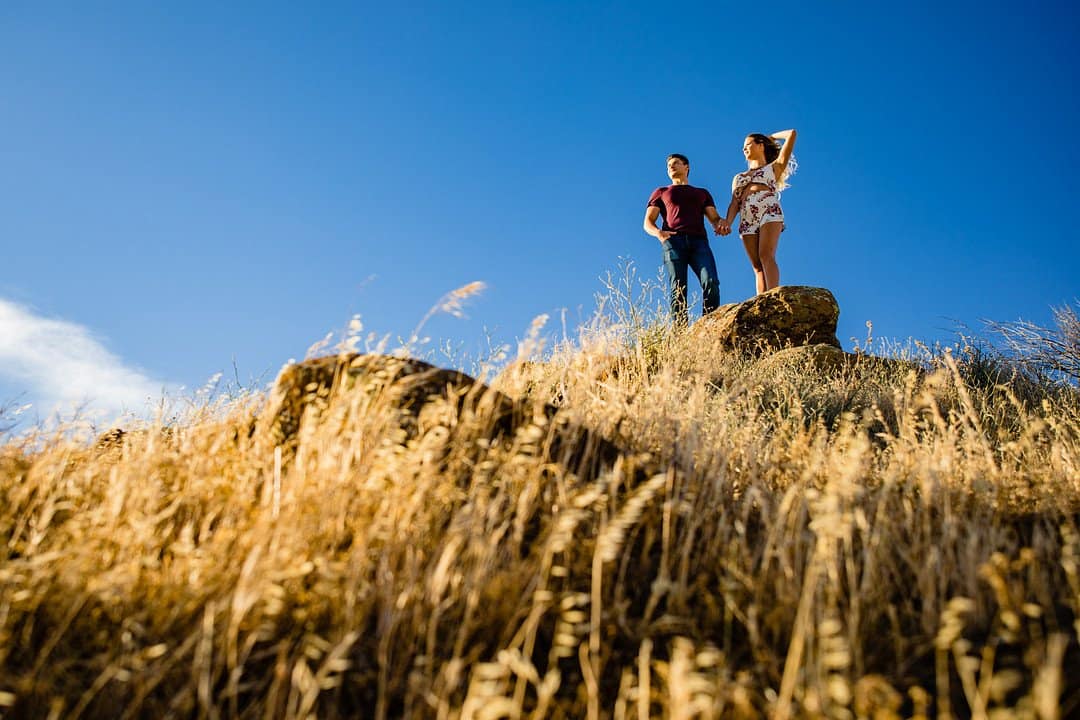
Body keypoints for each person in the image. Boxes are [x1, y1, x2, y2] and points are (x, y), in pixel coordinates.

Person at [643, 154, 727, 326]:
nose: (671, 167)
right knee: (678, 289)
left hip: (699, 242)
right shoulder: (661, 192)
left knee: (711, 281)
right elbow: (648, 222)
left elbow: (715, 218)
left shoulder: (701, 193)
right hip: (673, 242)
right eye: (669, 166)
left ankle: (708, 326)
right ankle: (680, 333)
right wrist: (659, 233)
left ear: (686, 167)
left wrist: (721, 224)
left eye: (676, 163)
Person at [719, 130, 797, 295]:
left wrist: (771, 138)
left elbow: (791, 134)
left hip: (768, 208)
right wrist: (727, 222)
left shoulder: (774, 167)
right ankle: (761, 301)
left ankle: (774, 295)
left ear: (761, 145)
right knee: (756, 265)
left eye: (748, 145)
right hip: (747, 215)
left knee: (766, 255)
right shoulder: (739, 177)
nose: (744, 149)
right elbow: (734, 203)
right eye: (743, 147)